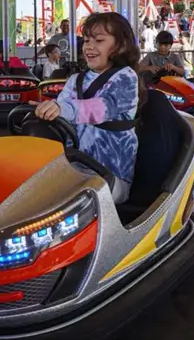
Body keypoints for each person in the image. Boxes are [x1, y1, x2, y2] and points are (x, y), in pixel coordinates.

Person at [33, 13, 141, 204]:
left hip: (110, 174)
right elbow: (62, 112)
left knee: (65, 199)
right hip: (75, 166)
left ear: (120, 46)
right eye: (86, 40)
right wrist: (45, 112)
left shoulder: (126, 77)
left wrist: (61, 108)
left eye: (99, 40)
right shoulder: (76, 80)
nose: (89, 46)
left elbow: (99, 108)